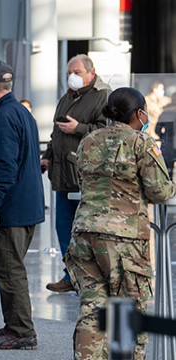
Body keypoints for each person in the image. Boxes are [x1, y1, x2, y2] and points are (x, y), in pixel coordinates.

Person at [66, 87, 176, 360]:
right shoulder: (141, 143)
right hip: (123, 241)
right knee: (128, 308)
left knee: (92, 309)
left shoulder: (89, 140)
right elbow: (159, 191)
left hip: (84, 235)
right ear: (139, 113)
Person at [0, 60, 44, 350]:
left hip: (12, 209)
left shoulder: (2, 117)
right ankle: (13, 325)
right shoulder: (20, 112)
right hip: (25, 206)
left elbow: (4, 167)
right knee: (9, 268)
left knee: (9, 270)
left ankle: (22, 331)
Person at [42, 54, 110, 293]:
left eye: (77, 72)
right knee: (64, 228)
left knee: (85, 231)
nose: (72, 76)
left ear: (91, 73)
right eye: (69, 72)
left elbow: (106, 132)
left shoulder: (102, 97)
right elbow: (56, 133)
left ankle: (87, 277)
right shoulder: (66, 97)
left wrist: (78, 128)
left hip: (85, 177)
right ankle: (70, 275)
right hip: (63, 176)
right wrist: (48, 155)